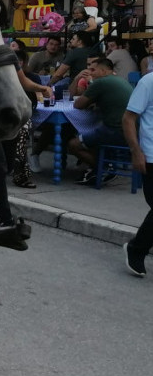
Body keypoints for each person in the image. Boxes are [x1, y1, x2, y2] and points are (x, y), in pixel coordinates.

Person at [0, 69, 53, 224]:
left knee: (8, 165)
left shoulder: (7, 56)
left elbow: (23, 81)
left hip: (10, 117)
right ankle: (6, 219)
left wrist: (41, 88)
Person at [68, 56, 134, 185]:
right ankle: (100, 166)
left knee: (73, 144)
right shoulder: (119, 80)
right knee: (92, 134)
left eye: (93, 70)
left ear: (103, 71)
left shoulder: (100, 83)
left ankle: (104, 167)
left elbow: (78, 105)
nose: (90, 72)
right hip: (132, 130)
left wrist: (80, 79)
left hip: (116, 130)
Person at [122, 70, 153, 277]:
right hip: (150, 155)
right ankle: (136, 249)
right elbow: (128, 118)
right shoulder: (148, 82)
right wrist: (136, 151)